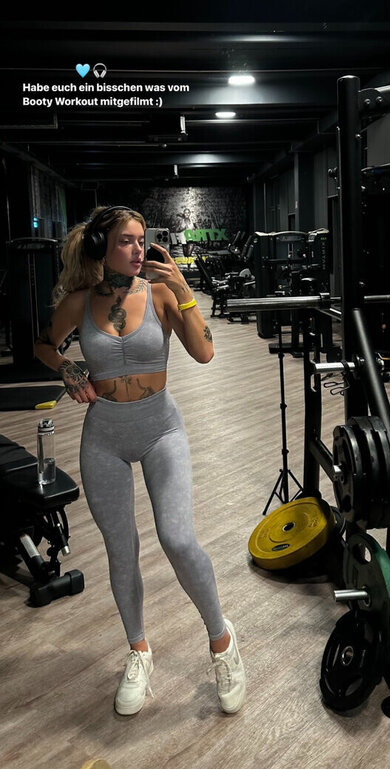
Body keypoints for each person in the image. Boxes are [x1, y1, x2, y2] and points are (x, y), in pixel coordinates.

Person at [34, 205, 245, 716]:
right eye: (126, 240)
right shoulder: (80, 302)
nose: (138, 249)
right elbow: (42, 345)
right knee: (121, 549)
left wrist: (184, 288)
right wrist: (67, 369)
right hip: (104, 435)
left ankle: (222, 643)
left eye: (141, 239)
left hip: (160, 429)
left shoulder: (161, 294)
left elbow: (204, 353)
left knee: (177, 537)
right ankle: (138, 649)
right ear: (101, 247)